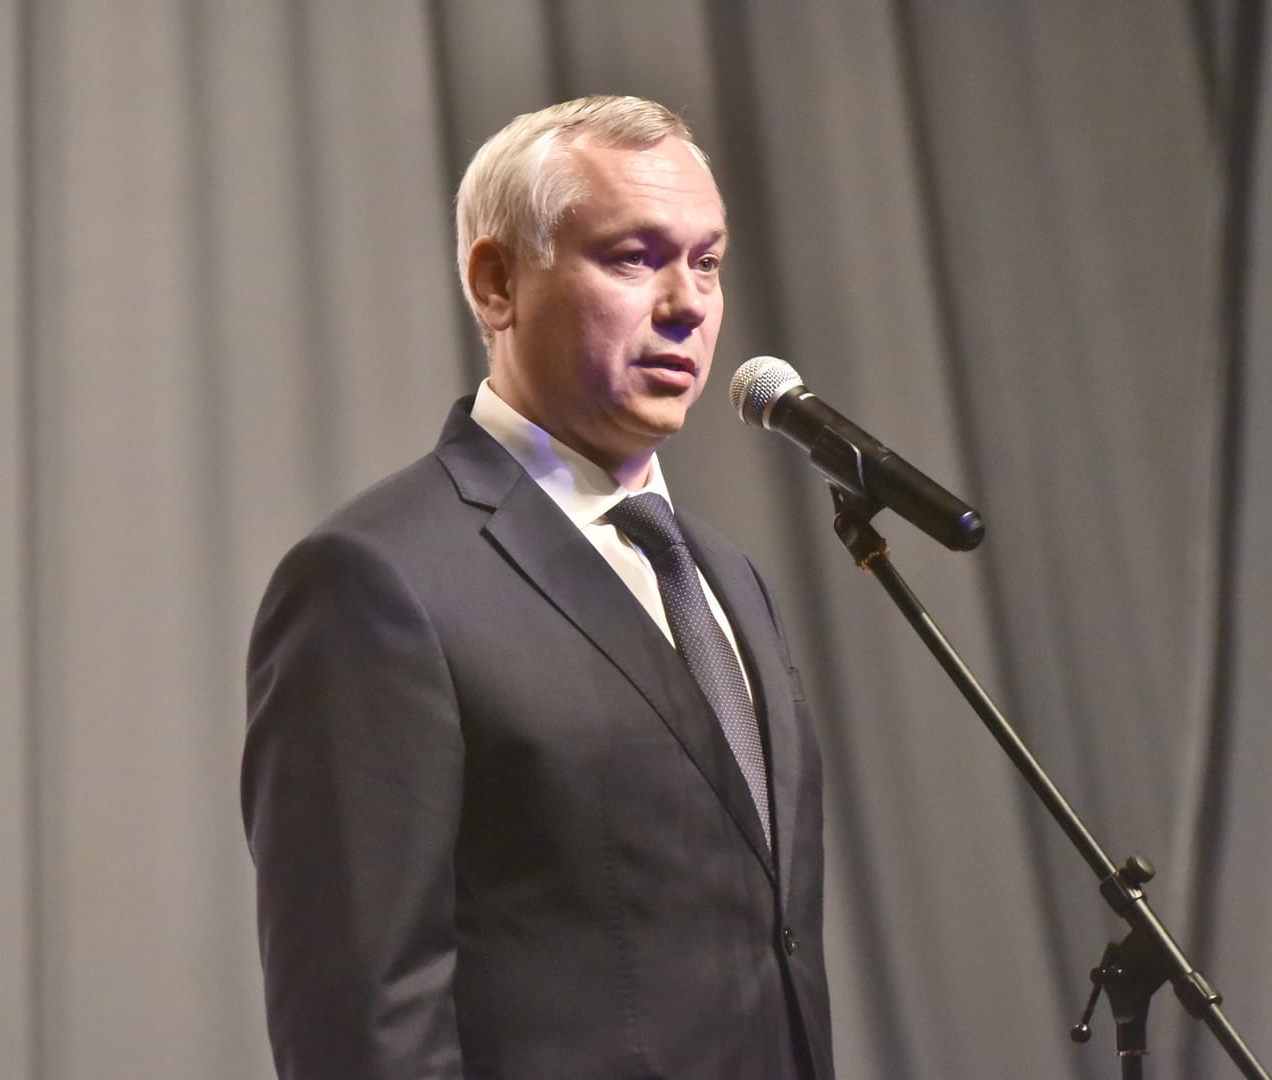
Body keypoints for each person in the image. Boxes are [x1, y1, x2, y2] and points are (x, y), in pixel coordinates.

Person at [242, 95, 834, 1079]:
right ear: (497, 283)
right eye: (635, 258)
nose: (688, 304)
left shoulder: (724, 575)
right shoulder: (375, 583)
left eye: (707, 261)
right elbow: (362, 1028)